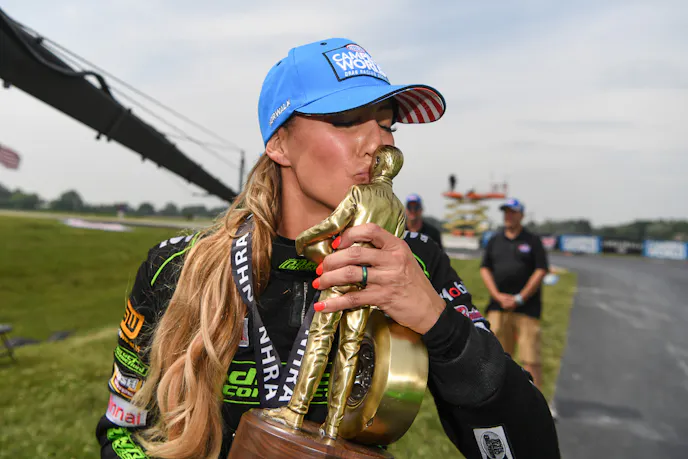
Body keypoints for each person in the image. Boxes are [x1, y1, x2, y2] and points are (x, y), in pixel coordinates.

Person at [95, 38, 559, 459]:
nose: (379, 143)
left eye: (387, 125)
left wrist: (441, 326)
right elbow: (122, 432)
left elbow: (528, 448)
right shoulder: (177, 266)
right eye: (347, 121)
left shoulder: (413, 263)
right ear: (280, 144)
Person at [479, 198, 549, 396]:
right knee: (497, 357)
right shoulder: (495, 240)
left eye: (512, 212)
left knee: (530, 358)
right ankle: (498, 399)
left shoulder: (532, 241)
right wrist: (497, 295)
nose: (508, 216)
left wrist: (520, 298)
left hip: (527, 308)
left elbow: (540, 270)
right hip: (498, 307)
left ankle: (536, 403)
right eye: (506, 212)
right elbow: (485, 268)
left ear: (521, 215)